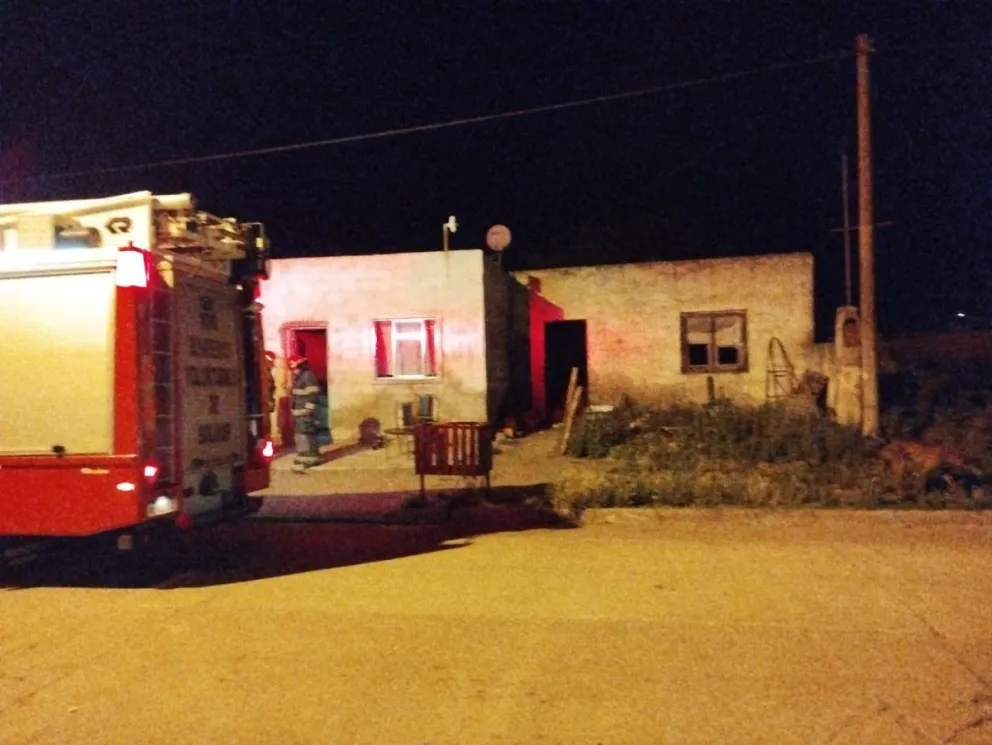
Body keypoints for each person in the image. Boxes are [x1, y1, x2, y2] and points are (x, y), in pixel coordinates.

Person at [288, 354, 322, 472]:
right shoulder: (299, 377)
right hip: (299, 411)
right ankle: (303, 455)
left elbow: (313, 392)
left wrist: (309, 408)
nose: (293, 371)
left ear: (300, 366)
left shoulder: (308, 375)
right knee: (300, 434)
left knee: (307, 433)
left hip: (305, 411)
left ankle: (312, 457)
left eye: (294, 368)